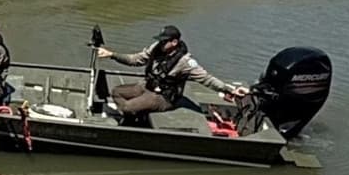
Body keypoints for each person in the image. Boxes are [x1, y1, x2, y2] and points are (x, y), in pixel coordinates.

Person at [96, 25, 249, 118]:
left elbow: (207, 79)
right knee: (117, 92)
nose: (160, 43)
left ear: (174, 42)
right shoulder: (156, 47)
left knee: (127, 107)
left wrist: (230, 89)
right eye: (160, 40)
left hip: (163, 97)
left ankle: (131, 117)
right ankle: (135, 114)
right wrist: (112, 55)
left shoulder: (185, 62)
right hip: (147, 86)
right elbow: (136, 59)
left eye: (164, 41)